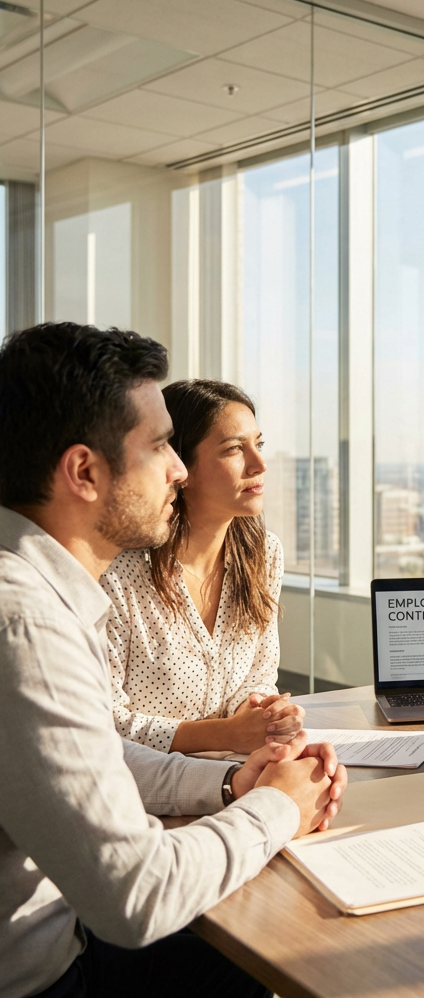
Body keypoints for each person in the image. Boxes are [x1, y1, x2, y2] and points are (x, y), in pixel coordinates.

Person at [0, 323, 347, 998]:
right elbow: (137, 897)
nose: (179, 470)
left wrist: (232, 785)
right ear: (84, 472)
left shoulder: (40, 594)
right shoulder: (26, 625)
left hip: (67, 938)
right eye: (160, 445)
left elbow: (91, 753)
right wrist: (279, 806)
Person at [101, 379, 300, 755]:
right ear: (180, 466)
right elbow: (107, 722)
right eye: (234, 449)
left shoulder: (263, 554)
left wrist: (265, 714)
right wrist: (226, 735)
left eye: (258, 444)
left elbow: (258, 677)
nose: (259, 464)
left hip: (238, 767)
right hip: (147, 781)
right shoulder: (119, 574)